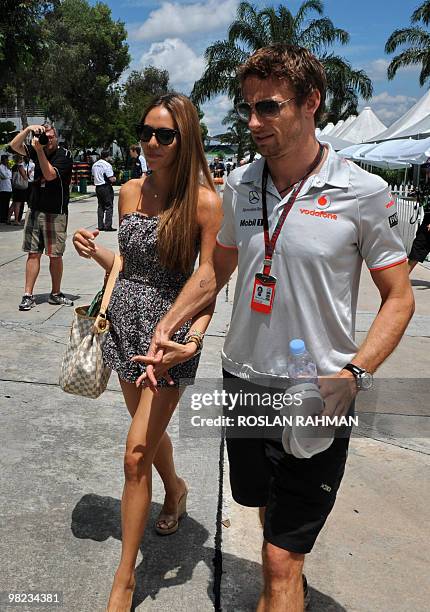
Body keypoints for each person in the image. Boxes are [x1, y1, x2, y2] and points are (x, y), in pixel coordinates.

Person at [143, 44, 415, 612]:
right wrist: (169, 324)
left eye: (268, 108)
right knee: (262, 507)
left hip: (317, 389)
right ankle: (288, 574)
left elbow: (399, 297)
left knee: (278, 558)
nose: (252, 123)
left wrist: (354, 374)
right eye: (248, 108)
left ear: (311, 102)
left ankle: (285, 578)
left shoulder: (363, 193)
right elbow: (216, 268)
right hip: (243, 380)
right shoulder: (241, 184)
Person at [72, 92, 222, 612]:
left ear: (186, 140)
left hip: (169, 341)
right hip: (124, 329)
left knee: (135, 452)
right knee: (146, 431)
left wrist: (192, 339)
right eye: (146, 132)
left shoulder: (204, 201)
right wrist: (99, 258)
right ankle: (176, 489)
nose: (152, 143)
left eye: (164, 135)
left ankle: (126, 580)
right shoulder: (130, 192)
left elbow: (208, 281)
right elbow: (129, 267)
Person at [9, 123, 74, 311]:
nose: (48, 140)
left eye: (51, 136)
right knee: (33, 253)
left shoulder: (64, 155)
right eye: (45, 136)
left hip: (56, 212)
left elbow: (50, 175)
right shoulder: (38, 147)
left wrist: (39, 151)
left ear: (57, 137)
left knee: (55, 255)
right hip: (36, 209)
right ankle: (28, 294)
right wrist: (29, 130)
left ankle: (55, 293)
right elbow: (14, 145)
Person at [91, 150, 117, 231]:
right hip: (106, 187)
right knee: (109, 206)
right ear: (107, 156)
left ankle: (100, 225)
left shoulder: (95, 164)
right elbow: (111, 178)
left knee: (101, 206)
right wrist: (115, 179)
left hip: (98, 187)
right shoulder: (107, 165)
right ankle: (108, 225)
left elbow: (93, 175)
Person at [8, 155, 28, 225]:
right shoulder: (20, 167)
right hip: (20, 187)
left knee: (14, 204)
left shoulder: (14, 167)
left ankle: (8, 219)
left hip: (15, 186)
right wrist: (27, 177)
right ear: (20, 159)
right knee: (18, 204)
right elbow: (24, 177)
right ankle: (16, 220)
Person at [0, 154, 12, 223]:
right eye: (6, 159)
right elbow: (4, 175)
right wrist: (8, 175)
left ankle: (5, 217)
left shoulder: (7, 167)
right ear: (3, 160)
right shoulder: (1, 167)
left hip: (8, 187)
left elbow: (10, 176)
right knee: (2, 203)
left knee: (7, 203)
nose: (7, 161)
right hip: (3, 188)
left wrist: (7, 175)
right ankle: (2, 218)